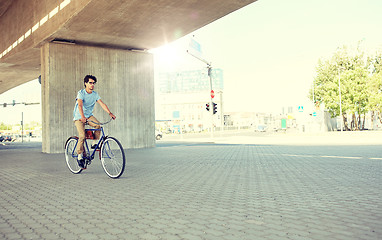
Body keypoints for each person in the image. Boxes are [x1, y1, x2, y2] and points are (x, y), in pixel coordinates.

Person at [73, 75, 116, 169]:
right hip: (79, 117)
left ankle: (94, 143)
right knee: (82, 136)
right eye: (90, 83)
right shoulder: (81, 93)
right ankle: (79, 156)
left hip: (88, 116)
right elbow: (80, 105)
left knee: (98, 126)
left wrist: (110, 113)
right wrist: (82, 117)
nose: (92, 85)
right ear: (85, 83)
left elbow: (102, 104)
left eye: (93, 83)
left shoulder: (95, 94)